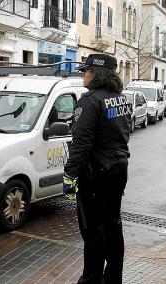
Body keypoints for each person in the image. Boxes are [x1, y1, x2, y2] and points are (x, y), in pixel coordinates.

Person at [63, 54, 132, 284]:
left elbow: (81, 144)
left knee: (93, 232)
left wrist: (70, 174)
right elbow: (125, 133)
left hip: (95, 175)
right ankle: (113, 279)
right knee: (113, 226)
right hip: (118, 170)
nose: (84, 74)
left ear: (96, 73)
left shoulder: (90, 101)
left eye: (86, 70)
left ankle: (90, 280)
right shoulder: (121, 99)